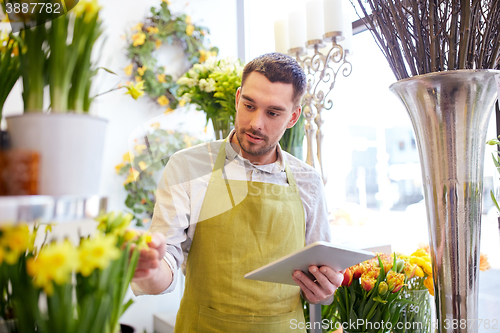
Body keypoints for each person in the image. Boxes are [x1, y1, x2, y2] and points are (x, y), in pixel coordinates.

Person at [131, 52, 344, 332]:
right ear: (237, 97)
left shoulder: (308, 181)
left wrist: (325, 291)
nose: (256, 123)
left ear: (293, 117)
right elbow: (166, 264)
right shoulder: (188, 166)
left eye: (273, 113)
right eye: (249, 105)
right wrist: (148, 268)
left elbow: (321, 283)